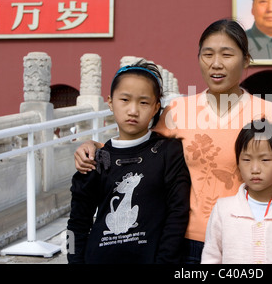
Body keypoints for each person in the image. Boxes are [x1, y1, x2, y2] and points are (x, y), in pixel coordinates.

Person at [74, 19, 272, 264]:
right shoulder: (179, 111)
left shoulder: (266, 113)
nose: (216, 64)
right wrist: (96, 147)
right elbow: (140, 148)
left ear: (245, 60)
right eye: (207, 54)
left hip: (243, 237)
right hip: (189, 240)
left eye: (227, 54)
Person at [67, 61, 191, 264]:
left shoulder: (167, 152)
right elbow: (76, 223)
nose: (133, 110)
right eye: (124, 100)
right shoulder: (96, 158)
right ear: (110, 102)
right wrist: (74, 262)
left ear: (155, 108)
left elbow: (177, 213)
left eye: (143, 102)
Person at [201, 119, 272, 264]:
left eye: (265, 160)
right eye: (247, 160)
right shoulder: (223, 209)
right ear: (238, 163)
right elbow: (211, 256)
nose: (255, 169)